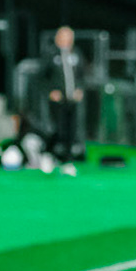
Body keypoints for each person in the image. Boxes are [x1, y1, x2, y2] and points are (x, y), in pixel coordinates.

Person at [44, 26, 85, 173]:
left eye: (69, 37)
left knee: (70, 130)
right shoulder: (51, 54)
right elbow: (43, 76)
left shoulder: (76, 54)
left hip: (72, 100)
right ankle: (49, 154)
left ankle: (67, 161)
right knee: (57, 129)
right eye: (64, 36)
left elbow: (81, 75)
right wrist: (51, 91)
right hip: (57, 100)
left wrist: (79, 89)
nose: (67, 40)